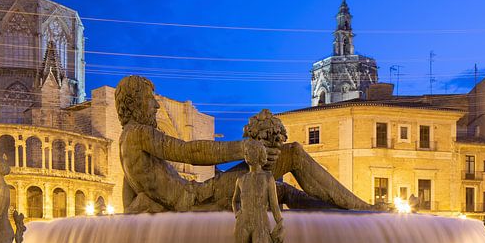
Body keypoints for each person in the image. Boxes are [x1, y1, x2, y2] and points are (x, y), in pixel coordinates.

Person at [115, 76, 375, 213]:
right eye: (150, 99)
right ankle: (358, 210)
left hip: (196, 198)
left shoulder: (126, 141)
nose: (156, 105)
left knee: (279, 184)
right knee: (291, 155)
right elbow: (188, 152)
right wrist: (242, 147)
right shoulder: (140, 133)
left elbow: (130, 199)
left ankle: (340, 214)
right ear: (135, 102)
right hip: (199, 199)